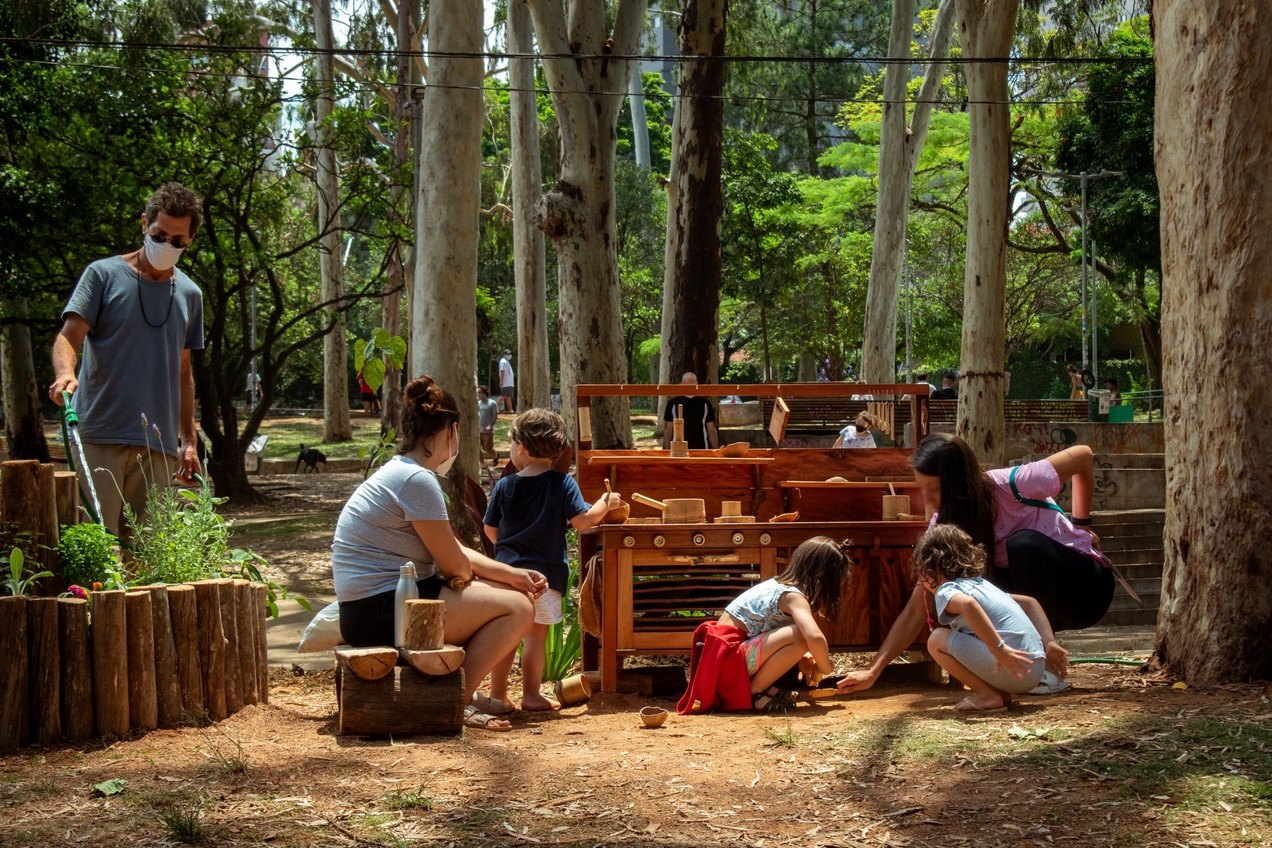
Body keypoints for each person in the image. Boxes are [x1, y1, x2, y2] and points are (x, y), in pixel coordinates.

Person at [331, 376, 544, 731]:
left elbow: (451, 549)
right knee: (520, 608)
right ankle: (456, 699)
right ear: (452, 430)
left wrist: (511, 575)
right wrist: (497, 582)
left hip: (372, 608)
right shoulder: (418, 481)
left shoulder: (401, 473)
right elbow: (454, 564)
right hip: (384, 610)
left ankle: (458, 690)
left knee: (513, 595)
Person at [837, 433, 1110, 698]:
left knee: (1022, 545)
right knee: (977, 586)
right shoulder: (946, 529)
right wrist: (874, 670)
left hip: (1085, 589)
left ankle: (1047, 672)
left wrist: (1081, 525)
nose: (928, 500)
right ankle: (1023, 666)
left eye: (934, 489)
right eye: (923, 489)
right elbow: (915, 610)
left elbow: (1083, 457)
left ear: (959, 483)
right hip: (1041, 605)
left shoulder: (1013, 484)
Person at [49, 183, 205, 538]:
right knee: (93, 550)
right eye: (159, 234)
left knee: (152, 557)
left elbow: (184, 372)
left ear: (191, 240)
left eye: (177, 241)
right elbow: (67, 338)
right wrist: (64, 374)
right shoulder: (102, 275)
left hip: (159, 446)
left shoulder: (190, 294)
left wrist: (188, 441)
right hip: (99, 434)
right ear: (143, 225)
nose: (167, 245)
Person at [482, 409, 617, 711]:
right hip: (545, 578)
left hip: (507, 575)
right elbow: (583, 521)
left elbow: (490, 529)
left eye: (512, 443)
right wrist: (605, 504)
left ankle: (497, 695)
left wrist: (507, 552)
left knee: (506, 638)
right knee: (535, 638)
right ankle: (530, 695)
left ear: (523, 448)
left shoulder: (505, 486)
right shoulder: (562, 483)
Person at [913, 525, 1067, 712]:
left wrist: (1000, 650)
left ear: (930, 568)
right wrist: (1049, 642)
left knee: (937, 639)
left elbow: (968, 605)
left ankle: (987, 695)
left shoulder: (947, 590)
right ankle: (999, 693)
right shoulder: (981, 584)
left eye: (920, 572)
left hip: (1011, 665)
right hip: (1036, 670)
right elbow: (1030, 603)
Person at [717, 537, 849, 710]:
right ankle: (753, 693)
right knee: (801, 635)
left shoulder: (777, 586)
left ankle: (762, 688)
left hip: (722, 663)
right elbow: (814, 637)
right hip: (728, 665)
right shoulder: (792, 596)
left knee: (799, 635)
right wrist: (826, 665)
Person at [663, 372, 719, 450]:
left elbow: (711, 429)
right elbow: (668, 430)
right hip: (678, 449)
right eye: (687, 386)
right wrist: (666, 451)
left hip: (701, 449)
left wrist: (715, 450)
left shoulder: (705, 403)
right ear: (681, 384)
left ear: (697, 384)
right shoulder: (672, 403)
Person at [477, 385, 499, 459]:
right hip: (478, 429)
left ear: (485, 393)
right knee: (477, 448)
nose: (478, 394)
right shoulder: (478, 403)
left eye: (480, 392)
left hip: (488, 430)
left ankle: (496, 455)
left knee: (487, 448)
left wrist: (490, 425)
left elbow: (495, 416)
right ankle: (482, 464)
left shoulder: (492, 403)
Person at [498, 349, 515, 413]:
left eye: (510, 354)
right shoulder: (503, 361)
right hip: (505, 382)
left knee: (509, 397)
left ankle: (510, 410)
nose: (509, 355)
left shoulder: (507, 362)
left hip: (510, 383)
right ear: (504, 355)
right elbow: (502, 371)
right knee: (503, 396)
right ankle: (496, 407)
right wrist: (501, 381)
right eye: (508, 354)